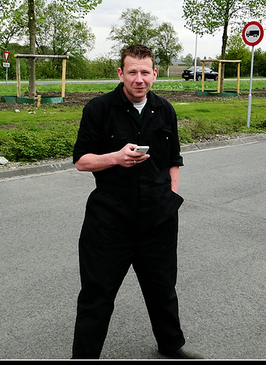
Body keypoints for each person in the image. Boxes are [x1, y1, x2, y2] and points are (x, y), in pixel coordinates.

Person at [71, 44, 203, 359]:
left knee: (162, 290)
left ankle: (171, 345)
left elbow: (173, 160)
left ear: (155, 74)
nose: (139, 79)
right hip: (109, 222)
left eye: (145, 72)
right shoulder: (99, 110)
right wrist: (115, 157)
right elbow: (81, 161)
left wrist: (169, 196)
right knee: (97, 295)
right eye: (132, 72)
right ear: (121, 73)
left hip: (158, 220)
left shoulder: (165, 110)